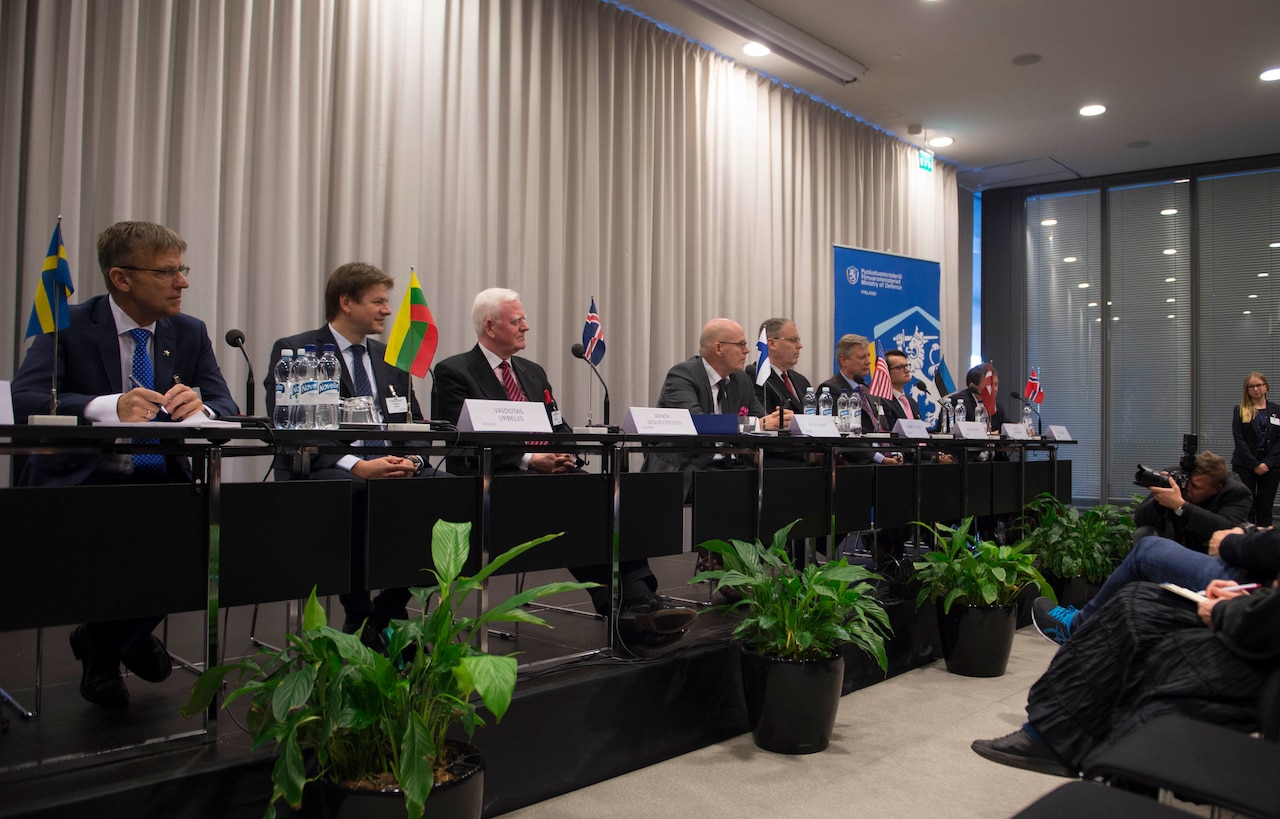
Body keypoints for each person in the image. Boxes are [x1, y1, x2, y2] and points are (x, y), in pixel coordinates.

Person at [11, 220, 239, 708]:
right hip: (84, 479)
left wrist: (199, 408)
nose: (183, 283)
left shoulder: (189, 331)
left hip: (167, 480)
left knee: (211, 542)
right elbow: (27, 396)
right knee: (118, 544)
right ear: (122, 278)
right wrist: (105, 407)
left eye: (183, 270)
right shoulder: (67, 323)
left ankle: (106, 642)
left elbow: (227, 406)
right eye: (169, 272)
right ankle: (117, 645)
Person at [433, 288, 697, 647]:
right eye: (517, 321)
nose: (526, 326)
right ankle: (627, 604)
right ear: (490, 327)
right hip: (492, 480)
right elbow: (459, 440)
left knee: (611, 496)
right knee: (578, 507)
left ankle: (635, 601)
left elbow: (557, 425)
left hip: (549, 477)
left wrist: (564, 452)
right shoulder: (454, 371)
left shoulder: (531, 372)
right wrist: (529, 459)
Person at [264, 262, 434, 651]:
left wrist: (414, 462)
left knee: (453, 496)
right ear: (346, 302)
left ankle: (383, 613)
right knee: (352, 495)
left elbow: (416, 425)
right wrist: (357, 465)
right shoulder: (298, 351)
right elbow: (293, 427)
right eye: (377, 301)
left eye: (386, 302)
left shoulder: (391, 358)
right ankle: (357, 612)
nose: (387, 311)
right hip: (326, 470)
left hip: (391, 468)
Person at [972, 576, 1279, 777]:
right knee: (1137, 599)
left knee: (1145, 615)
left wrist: (1227, 610)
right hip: (1258, 611)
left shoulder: (1234, 493)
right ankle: (1053, 734)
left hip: (1263, 649)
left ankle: (1071, 744)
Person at [1032, 525, 1280, 645]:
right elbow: (1144, 515)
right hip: (1261, 572)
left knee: (1149, 551)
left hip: (1259, 586)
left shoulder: (1238, 492)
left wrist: (1232, 542)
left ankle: (1077, 628)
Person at [645, 318, 772, 489]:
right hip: (689, 463)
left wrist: (778, 421)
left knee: (777, 482)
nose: (747, 350)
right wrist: (756, 424)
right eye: (741, 344)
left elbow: (761, 418)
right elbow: (696, 422)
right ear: (718, 348)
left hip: (731, 463)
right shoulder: (683, 375)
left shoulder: (741, 379)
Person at [1131, 450, 1252, 553]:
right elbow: (1140, 519)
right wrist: (1160, 500)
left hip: (1207, 553)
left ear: (1216, 489)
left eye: (1196, 487)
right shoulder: (1177, 478)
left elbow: (1228, 528)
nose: (1188, 489)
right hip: (1172, 545)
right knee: (1144, 533)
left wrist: (1181, 507)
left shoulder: (1236, 492)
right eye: (1188, 482)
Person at [818, 334, 901, 465]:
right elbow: (843, 434)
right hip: (859, 463)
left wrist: (895, 452)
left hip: (886, 458)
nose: (868, 361)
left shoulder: (868, 389)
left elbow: (884, 425)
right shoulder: (831, 389)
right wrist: (881, 459)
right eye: (862, 357)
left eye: (868, 356)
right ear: (844, 360)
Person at [883, 348, 953, 464]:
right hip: (909, 459)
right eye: (900, 367)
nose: (907, 370)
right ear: (886, 372)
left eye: (907, 365)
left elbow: (922, 437)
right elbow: (899, 442)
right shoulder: (884, 402)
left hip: (923, 456)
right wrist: (934, 457)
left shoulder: (911, 402)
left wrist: (938, 453)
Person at [1231, 371, 1280, 526]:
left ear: (1266, 387)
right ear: (1247, 390)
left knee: (1265, 508)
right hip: (1245, 464)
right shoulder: (1240, 410)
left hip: (1270, 465)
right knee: (1247, 507)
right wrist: (1255, 464)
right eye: (1251, 387)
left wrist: (1267, 463)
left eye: (1259, 385)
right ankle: (1248, 544)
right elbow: (1239, 440)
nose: (1255, 389)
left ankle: (1265, 545)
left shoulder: (1276, 410)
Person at [744, 317, 804, 432]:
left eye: (798, 340)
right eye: (793, 340)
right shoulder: (756, 378)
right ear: (771, 344)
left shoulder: (800, 380)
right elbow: (767, 421)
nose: (800, 345)